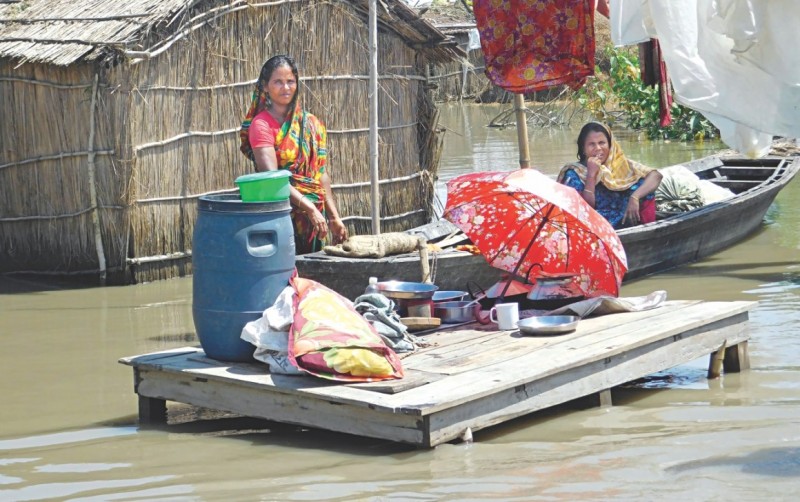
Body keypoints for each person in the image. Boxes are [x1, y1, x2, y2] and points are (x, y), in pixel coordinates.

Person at [239, 55, 348, 254]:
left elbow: (320, 175)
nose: (286, 88)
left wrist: (333, 217)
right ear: (265, 86)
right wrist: (309, 208)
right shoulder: (261, 125)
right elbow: (273, 180)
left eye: (290, 81)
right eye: (278, 82)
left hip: (315, 221)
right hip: (280, 219)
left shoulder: (311, 124)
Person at [557, 122, 663, 229]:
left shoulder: (620, 164)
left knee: (642, 184)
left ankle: (646, 229)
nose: (598, 148)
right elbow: (586, 209)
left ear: (610, 145)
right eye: (591, 144)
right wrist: (591, 175)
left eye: (602, 143)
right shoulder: (574, 172)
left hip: (628, 220)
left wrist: (635, 197)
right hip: (597, 228)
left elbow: (656, 176)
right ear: (583, 148)